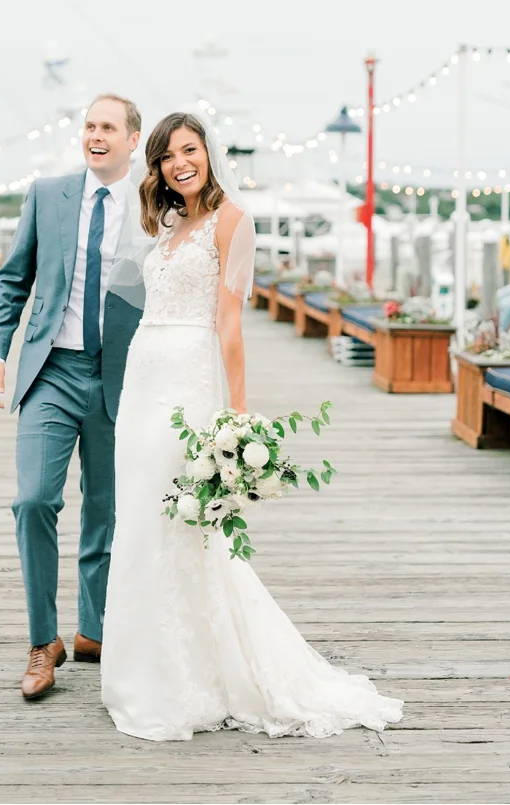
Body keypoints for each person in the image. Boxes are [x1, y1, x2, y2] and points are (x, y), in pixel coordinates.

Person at [100, 111, 404, 740]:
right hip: (143, 377)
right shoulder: (169, 225)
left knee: (178, 517)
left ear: (208, 154)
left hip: (187, 378)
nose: (179, 163)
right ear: (155, 167)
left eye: (190, 150)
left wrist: (236, 415)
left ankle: (193, 676)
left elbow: (230, 324)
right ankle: (144, 667)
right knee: (138, 514)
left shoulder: (233, 221)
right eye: (166, 156)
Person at [0, 94, 148, 701]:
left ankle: (93, 628)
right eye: (89, 126)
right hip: (50, 369)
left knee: (105, 508)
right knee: (33, 501)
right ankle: (42, 640)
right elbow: (14, 279)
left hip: (121, 375)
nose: (95, 136)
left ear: (132, 139)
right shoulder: (48, 195)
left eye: (108, 128)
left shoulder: (155, 203)